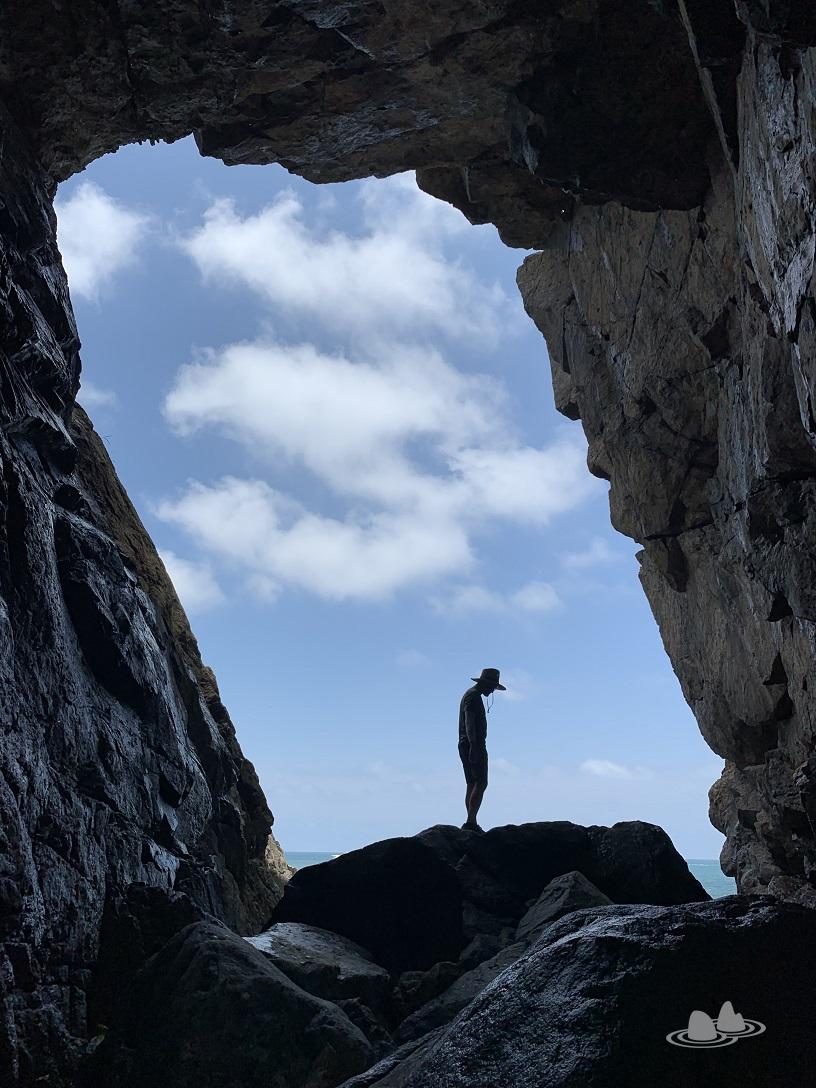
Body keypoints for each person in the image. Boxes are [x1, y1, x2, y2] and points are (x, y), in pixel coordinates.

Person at [458, 668, 505, 832]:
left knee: (472, 782)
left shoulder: (472, 695)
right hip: (473, 744)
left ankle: (471, 821)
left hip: (467, 743)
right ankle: (471, 821)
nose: (492, 691)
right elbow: (469, 721)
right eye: (492, 687)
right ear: (485, 684)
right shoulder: (473, 697)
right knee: (481, 782)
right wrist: (473, 745)